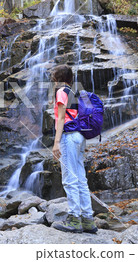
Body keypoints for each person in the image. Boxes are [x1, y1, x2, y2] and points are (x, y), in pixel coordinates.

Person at [50, 64, 97, 234]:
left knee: (69, 179)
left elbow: (61, 118)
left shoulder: (61, 91)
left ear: (57, 79)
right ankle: (88, 220)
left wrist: (56, 142)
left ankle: (74, 219)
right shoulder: (75, 92)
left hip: (68, 137)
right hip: (80, 137)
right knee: (80, 178)